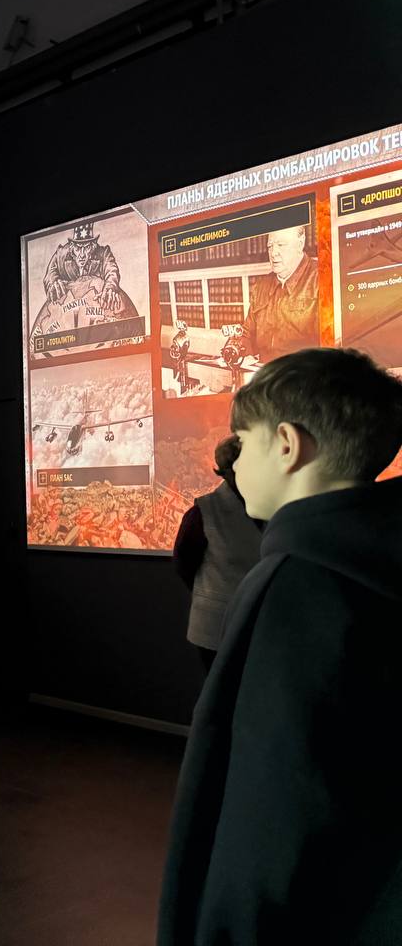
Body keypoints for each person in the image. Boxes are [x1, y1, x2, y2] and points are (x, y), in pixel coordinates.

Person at [159, 347, 402, 945]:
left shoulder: (296, 582)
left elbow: (270, 809)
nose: (235, 463)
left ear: (288, 446)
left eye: (243, 444)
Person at [171, 434, 263, 671]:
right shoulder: (204, 511)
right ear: (231, 470)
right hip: (215, 628)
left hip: (261, 624)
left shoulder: (266, 505)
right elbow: (183, 562)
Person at [243, 225, 318, 363]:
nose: (273, 253)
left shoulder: (322, 278)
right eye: (270, 246)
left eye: (281, 245)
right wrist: (239, 352)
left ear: (300, 244)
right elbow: (247, 335)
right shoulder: (261, 286)